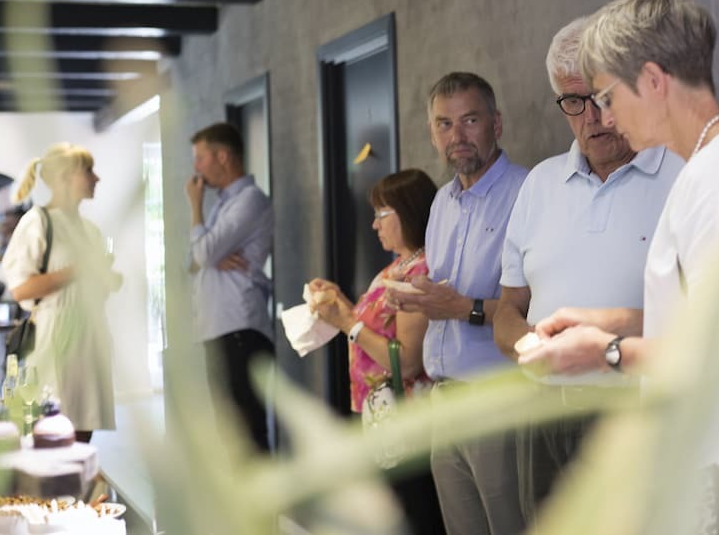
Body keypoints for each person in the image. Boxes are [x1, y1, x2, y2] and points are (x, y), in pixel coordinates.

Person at [519, 0, 719, 533]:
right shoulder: (716, 167)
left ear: (652, 80)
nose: (604, 117)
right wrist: (609, 321)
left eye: (608, 96)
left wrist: (605, 353)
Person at [492, 17, 683, 523]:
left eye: (601, 98)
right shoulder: (539, 185)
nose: (592, 118)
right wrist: (530, 346)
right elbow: (509, 307)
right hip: (544, 412)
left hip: (638, 413)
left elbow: (710, 320)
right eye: (574, 102)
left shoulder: (682, 173)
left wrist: (606, 342)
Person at [388, 72, 528, 535]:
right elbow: (445, 295)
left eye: (470, 120)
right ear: (432, 132)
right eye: (444, 124)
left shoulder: (529, 193)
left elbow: (540, 308)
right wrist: (417, 296)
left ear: (496, 124)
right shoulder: (441, 204)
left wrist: (462, 307)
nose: (457, 136)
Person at [308, 168, 445, 535]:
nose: (374, 225)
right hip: (380, 417)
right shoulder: (395, 268)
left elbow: (407, 361)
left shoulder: (420, 272)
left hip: (408, 422)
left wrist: (347, 324)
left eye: (382, 214)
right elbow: (371, 325)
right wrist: (341, 303)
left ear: (409, 212)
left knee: (416, 517)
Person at [2, 143, 122, 442]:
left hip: (90, 337)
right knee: (53, 430)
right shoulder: (38, 222)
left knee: (83, 431)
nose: (96, 178)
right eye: (88, 171)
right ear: (64, 178)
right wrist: (77, 271)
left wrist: (104, 279)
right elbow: (21, 290)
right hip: (55, 338)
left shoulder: (89, 230)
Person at [186, 122, 274, 453]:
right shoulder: (223, 204)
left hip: (240, 330)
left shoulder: (250, 200)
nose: (196, 167)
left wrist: (195, 207)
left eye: (200, 158)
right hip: (220, 329)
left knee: (247, 433)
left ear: (222, 156)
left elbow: (203, 253)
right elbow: (193, 260)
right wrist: (210, 254)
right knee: (229, 434)